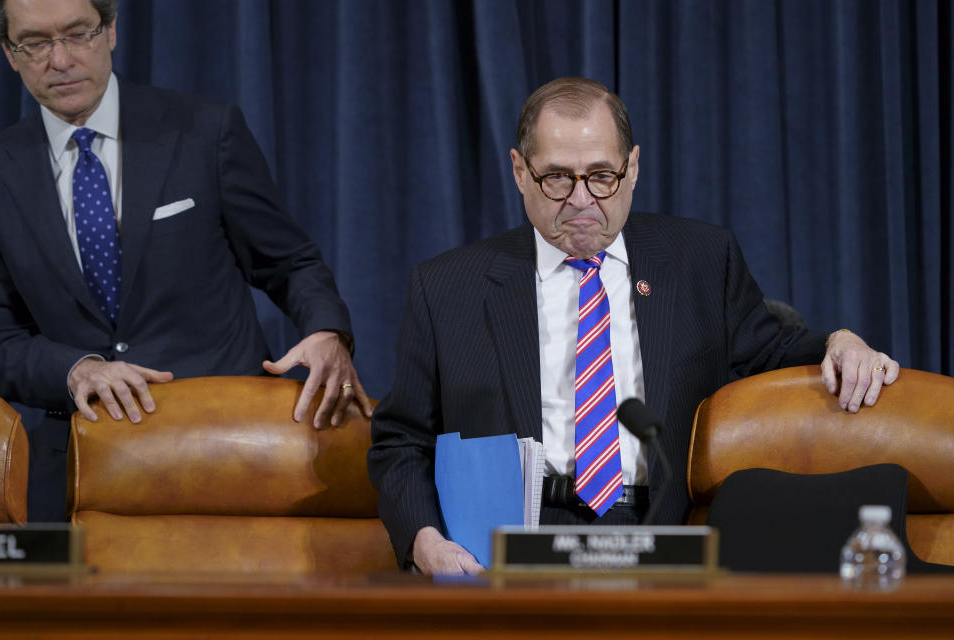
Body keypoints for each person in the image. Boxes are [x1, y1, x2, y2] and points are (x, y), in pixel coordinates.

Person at [367, 77, 900, 575]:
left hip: (659, 544)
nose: (581, 200)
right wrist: (425, 542)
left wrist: (841, 340)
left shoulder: (701, 262)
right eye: (556, 177)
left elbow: (772, 352)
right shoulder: (447, 289)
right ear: (519, 171)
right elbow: (400, 440)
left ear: (634, 167)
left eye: (602, 176)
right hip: (512, 552)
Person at [0, 0, 372, 522]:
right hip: (80, 465)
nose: (59, 60)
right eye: (35, 43)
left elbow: (289, 263)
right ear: (9, 54)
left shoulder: (203, 131)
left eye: (78, 33)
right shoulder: (0, 170)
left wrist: (328, 332)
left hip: (228, 449)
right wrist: (74, 369)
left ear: (111, 31)